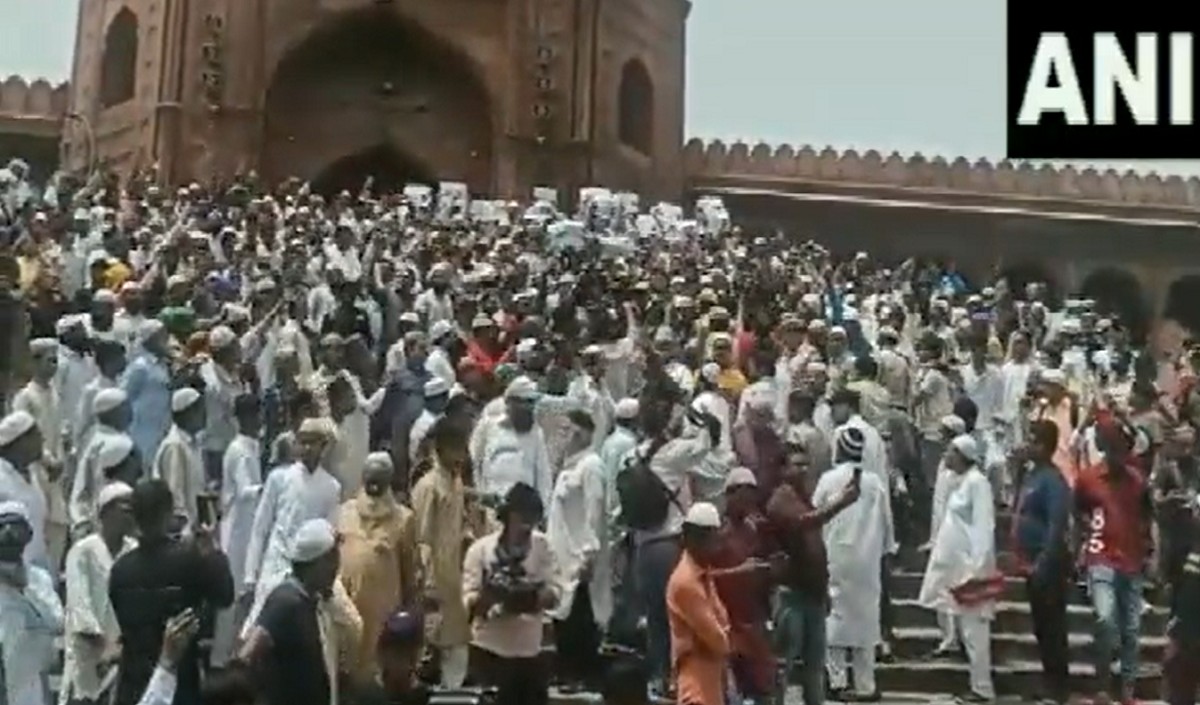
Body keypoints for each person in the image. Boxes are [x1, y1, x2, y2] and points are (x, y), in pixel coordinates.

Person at [109, 479, 235, 705]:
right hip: (181, 681)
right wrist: (212, 551)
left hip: (134, 681)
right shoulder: (190, 558)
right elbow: (225, 595)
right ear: (168, 512)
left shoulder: (120, 570)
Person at [768, 432, 861, 705]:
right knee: (784, 667)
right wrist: (840, 503)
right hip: (791, 595)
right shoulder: (780, 499)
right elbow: (805, 523)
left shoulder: (802, 495)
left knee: (814, 669)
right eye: (797, 464)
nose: (804, 469)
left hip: (813, 594)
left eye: (806, 464)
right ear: (783, 469)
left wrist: (825, 589)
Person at [1074, 411, 1153, 705]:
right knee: (1105, 618)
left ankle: (1128, 688)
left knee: (1131, 628)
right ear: (1104, 446)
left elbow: (1147, 516)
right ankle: (1103, 684)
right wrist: (1079, 545)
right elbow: (1077, 512)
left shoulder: (1137, 481)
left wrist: (1149, 549)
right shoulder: (1088, 479)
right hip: (1100, 557)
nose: (1119, 453)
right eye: (1113, 445)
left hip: (1131, 559)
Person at [815, 426, 895, 701]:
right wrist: (885, 550)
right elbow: (886, 523)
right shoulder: (875, 483)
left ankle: (837, 681)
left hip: (834, 556)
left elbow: (816, 516)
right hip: (868, 560)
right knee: (865, 623)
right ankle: (866, 686)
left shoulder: (828, 479)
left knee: (834, 619)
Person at [242, 416, 342, 634]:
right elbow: (260, 528)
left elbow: (330, 536)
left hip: (307, 573)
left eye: (312, 442)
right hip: (275, 565)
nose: (306, 448)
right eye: (302, 441)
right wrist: (250, 575)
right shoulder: (279, 478)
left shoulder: (331, 487)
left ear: (323, 446)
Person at [462, 482, 558, 705]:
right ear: (507, 517)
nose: (526, 526)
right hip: (489, 653)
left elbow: (555, 593)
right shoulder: (480, 550)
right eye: (521, 518)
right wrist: (493, 595)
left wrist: (529, 598)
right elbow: (468, 606)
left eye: (531, 520)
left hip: (528, 655)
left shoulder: (542, 547)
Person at [917, 434, 997, 703]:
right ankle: (977, 685)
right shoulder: (960, 482)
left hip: (971, 570)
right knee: (966, 628)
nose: (946, 456)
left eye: (951, 452)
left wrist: (977, 568)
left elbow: (984, 527)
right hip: (957, 568)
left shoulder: (978, 484)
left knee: (976, 631)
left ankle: (982, 688)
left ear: (963, 455)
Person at [238, 518, 344, 705]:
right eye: (332, 559)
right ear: (317, 562)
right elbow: (248, 654)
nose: (336, 567)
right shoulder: (286, 602)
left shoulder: (312, 601)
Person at [338, 452, 419, 685]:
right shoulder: (345, 512)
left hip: (383, 614)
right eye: (370, 476)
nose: (374, 482)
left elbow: (410, 575)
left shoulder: (404, 519)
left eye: (380, 477)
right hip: (348, 608)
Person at [1013, 419, 1072, 705]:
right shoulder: (1031, 475)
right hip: (1029, 562)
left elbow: (1056, 525)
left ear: (1045, 446)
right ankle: (1050, 681)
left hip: (1047, 564)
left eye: (1032, 440)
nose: (1027, 445)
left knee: (1052, 627)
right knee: (1040, 626)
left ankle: (1059, 688)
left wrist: (1043, 563)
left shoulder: (1053, 479)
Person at [61, 482, 137, 705]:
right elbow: (79, 603)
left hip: (123, 653)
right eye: (125, 507)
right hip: (89, 654)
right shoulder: (83, 551)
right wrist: (103, 645)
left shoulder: (133, 550)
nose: (131, 514)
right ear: (106, 511)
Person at [546, 411, 606, 691]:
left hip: (578, 556)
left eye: (569, 430)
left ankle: (581, 675)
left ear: (582, 433)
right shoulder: (567, 466)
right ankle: (565, 670)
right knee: (562, 618)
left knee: (578, 619)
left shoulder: (591, 465)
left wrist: (589, 552)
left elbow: (594, 512)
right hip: (559, 555)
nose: (564, 435)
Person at [410, 417, 472, 689]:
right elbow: (421, 539)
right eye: (456, 449)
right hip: (434, 581)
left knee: (456, 649)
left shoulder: (455, 482)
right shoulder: (428, 486)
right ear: (441, 449)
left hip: (454, 577)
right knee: (429, 651)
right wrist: (428, 584)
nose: (461, 455)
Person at [211, 394, 265, 667]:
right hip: (236, 531)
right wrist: (269, 487)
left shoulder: (252, 446)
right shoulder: (240, 449)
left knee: (244, 597)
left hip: (246, 529)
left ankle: (234, 656)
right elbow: (245, 491)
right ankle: (220, 660)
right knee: (231, 599)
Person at [665, 502, 730, 705]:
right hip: (696, 682)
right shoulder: (686, 582)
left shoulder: (703, 572)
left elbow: (722, 622)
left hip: (711, 677)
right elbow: (718, 639)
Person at [0, 500, 63, 705]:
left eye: (16, 527)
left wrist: (24, 589)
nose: (9, 533)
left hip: (27, 683)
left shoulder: (38, 579)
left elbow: (56, 622)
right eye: (3, 527)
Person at [152, 388, 208, 532]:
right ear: (188, 413)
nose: (204, 415)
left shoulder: (193, 443)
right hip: (183, 531)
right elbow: (175, 493)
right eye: (199, 410)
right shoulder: (175, 446)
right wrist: (184, 531)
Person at [0, 410, 50, 571]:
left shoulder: (32, 474)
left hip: (37, 569)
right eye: (36, 436)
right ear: (20, 441)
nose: (42, 440)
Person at [353, 609, 432, 705]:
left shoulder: (425, 696)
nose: (397, 660)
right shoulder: (363, 693)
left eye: (403, 652)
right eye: (394, 650)